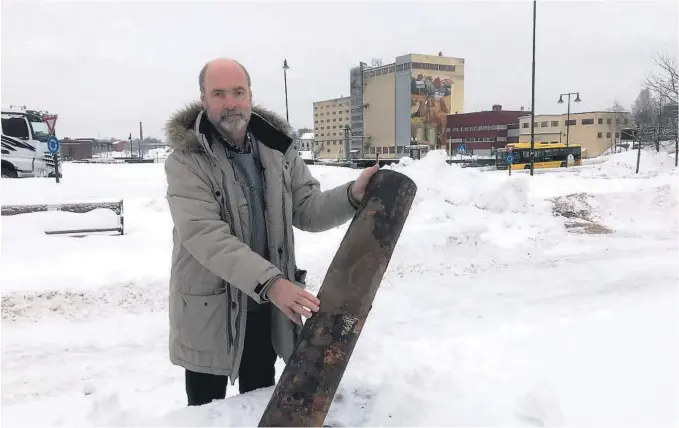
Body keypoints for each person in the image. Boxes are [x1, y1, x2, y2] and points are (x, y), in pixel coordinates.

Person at [163, 57, 379, 406]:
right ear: (203, 99)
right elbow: (205, 235)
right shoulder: (186, 159)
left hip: (265, 310)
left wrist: (352, 194)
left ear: (250, 95)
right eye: (219, 93)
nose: (230, 102)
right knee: (206, 414)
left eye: (238, 92)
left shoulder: (278, 149)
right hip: (211, 313)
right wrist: (273, 283)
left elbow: (307, 208)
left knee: (259, 404)